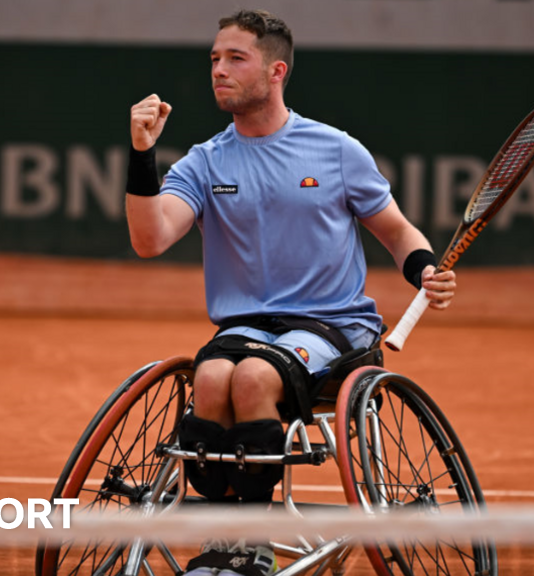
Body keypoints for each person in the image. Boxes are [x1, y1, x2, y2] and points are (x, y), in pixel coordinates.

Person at [126, 9, 456, 576]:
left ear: (276, 71)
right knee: (209, 377)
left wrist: (423, 267)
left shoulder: (335, 151)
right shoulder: (205, 161)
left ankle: (251, 545)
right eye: (214, 59)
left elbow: (397, 232)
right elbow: (150, 238)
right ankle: (223, 539)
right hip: (245, 328)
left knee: (254, 378)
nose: (219, 71)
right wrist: (141, 154)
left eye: (236, 59)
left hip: (333, 328)